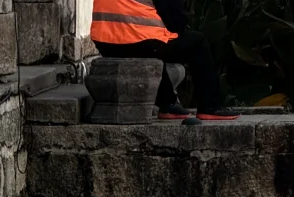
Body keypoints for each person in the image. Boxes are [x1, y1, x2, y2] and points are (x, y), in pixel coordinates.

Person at [90, 0, 237, 122]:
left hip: (105, 41)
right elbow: (176, 20)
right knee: (197, 44)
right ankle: (210, 107)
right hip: (137, 39)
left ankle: (168, 103)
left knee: (154, 45)